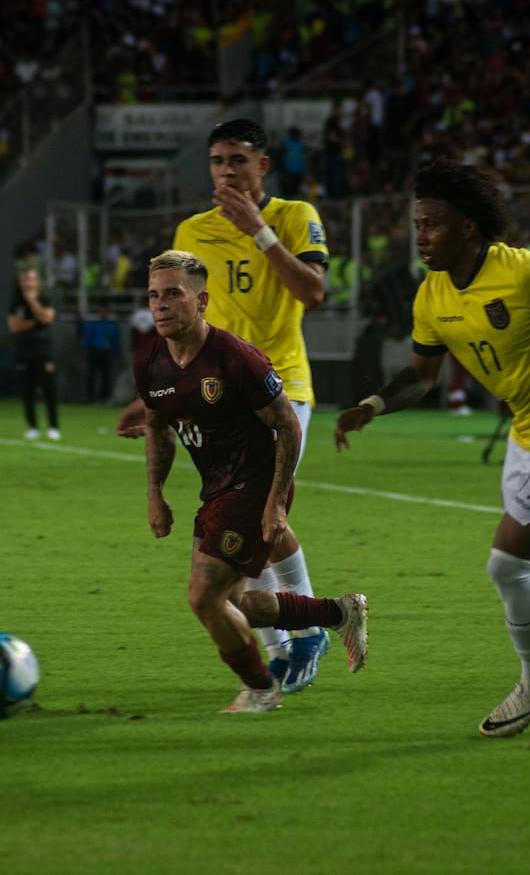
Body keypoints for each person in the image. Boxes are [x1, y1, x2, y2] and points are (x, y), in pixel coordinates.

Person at [334, 159, 530, 738]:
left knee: (506, 562)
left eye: (434, 224)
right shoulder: (431, 294)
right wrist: (371, 406)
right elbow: (422, 375)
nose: (421, 235)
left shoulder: (528, 272)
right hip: (527, 434)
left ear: (468, 227)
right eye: (418, 224)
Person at [117, 119, 331, 694]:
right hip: (214, 398)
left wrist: (260, 232)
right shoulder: (193, 230)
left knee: (255, 513)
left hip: (282, 385)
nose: (226, 171)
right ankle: (294, 639)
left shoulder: (295, 216)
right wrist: (154, 397)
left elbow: (312, 292)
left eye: (238, 160)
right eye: (217, 161)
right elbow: (183, 323)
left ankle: (300, 639)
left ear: (263, 165)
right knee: (244, 518)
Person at [136, 250, 367, 712]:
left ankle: (261, 688)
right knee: (237, 602)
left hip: (256, 484)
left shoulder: (235, 358)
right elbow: (158, 428)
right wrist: (156, 494)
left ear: (202, 300)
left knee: (204, 598)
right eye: (153, 295)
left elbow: (288, 425)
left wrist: (276, 501)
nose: (160, 305)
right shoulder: (152, 363)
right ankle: (339, 613)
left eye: (173, 294)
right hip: (217, 490)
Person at [8, 266, 60, 440]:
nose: (26, 283)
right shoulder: (15, 302)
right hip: (24, 351)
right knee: (27, 391)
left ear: (37, 282)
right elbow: (14, 327)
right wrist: (34, 321)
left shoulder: (45, 299)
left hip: (44, 351)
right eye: (24, 279)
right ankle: (32, 427)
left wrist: (32, 303)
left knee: (49, 390)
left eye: (30, 279)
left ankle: (53, 426)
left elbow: (46, 318)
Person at [78, 302, 122, 403]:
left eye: (105, 312)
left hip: (106, 351)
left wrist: (117, 354)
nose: (103, 314)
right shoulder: (93, 323)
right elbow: (87, 338)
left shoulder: (112, 324)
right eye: (102, 311)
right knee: (91, 374)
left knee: (106, 375)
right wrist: (85, 352)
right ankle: (90, 397)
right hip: (94, 351)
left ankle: (104, 396)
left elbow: (115, 341)